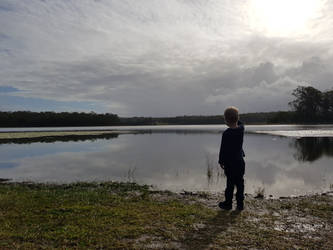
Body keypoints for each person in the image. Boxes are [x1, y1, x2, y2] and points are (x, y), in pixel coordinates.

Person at [218, 106, 245, 210]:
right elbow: (241, 123)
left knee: (230, 185)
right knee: (240, 183)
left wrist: (221, 161)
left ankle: (228, 204)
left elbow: (223, 149)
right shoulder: (241, 129)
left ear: (226, 120)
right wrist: (236, 117)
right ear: (237, 118)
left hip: (230, 163)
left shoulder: (226, 133)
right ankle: (240, 205)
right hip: (240, 162)